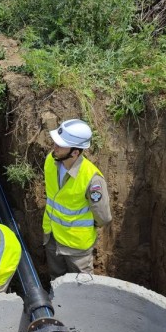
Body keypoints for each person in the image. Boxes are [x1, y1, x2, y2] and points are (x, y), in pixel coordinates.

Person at [43, 119, 112, 279]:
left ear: (75, 152)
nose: (55, 146)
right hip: (52, 236)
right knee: (56, 279)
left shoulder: (92, 179)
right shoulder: (50, 160)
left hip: (76, 246)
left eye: (61, 144)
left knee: (82, 287)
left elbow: (103, 217)